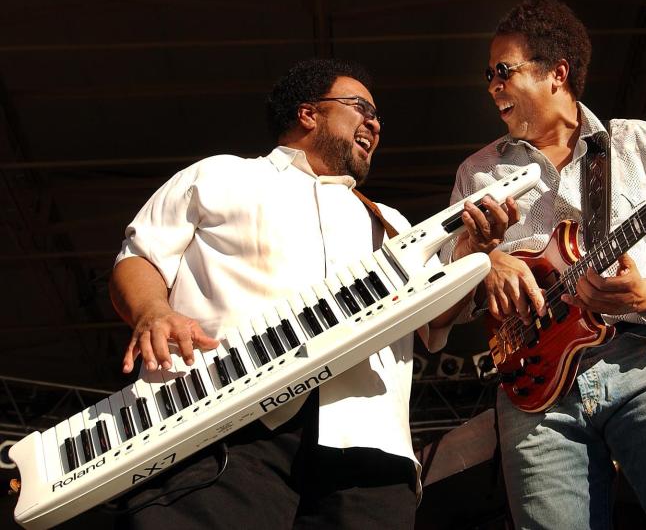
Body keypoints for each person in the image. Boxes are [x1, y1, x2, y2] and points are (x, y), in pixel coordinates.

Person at [108, 58, 509, 529]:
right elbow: (139, 258)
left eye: (379, 116)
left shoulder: (392, 223)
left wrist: (471, 251)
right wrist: (153, 310)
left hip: (369, 447)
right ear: (308, 113)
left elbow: (434, 323)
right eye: (361, 107)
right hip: (224, 427)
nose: (375, 124)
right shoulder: (220, 176)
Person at [443, 0, 646, 529]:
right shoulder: (477, 172)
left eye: (504, 71)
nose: (491, 86)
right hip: (532, 390)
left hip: (642, 359)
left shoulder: (640, 143)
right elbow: (447, 285)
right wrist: (484, 261)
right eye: (488, 74)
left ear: (556, 73)